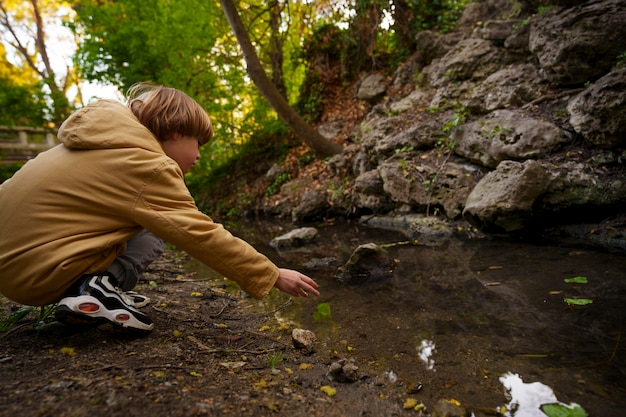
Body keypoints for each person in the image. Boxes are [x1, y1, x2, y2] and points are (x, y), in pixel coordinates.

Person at [0, 82, 319, 333]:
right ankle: (97, 288)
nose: (198, 156)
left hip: (13, 264)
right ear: (176, 131)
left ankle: (97, 286)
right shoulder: (148, 165)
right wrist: (273, 274)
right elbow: (199, 233)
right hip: (36, 273)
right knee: (154, 233)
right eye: (198, 143)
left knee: (136, 223)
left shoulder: (101, 141)